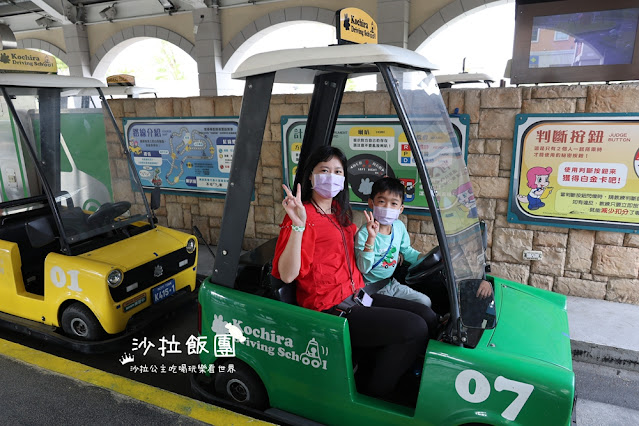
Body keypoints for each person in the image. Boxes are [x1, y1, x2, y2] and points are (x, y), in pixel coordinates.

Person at [271, 146, 436, 398]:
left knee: (427, 314)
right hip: (331, 306)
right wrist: (298, 226)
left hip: (358, 295)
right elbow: (287, 274)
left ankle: (392, 369)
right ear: (311, 176)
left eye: (337, 171)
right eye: (324, 170)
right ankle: (375, 394)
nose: (331, 176)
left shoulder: (340, 214)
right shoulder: (302, 215)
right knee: (414, 328)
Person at [355, 177, 433, 308]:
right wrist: (371, 238)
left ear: (401, 208)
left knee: (425, 302)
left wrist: (426, 258)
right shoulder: (364, 233)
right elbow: (364, 268)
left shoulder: (399, 227)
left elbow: (407, 251)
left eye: (393, 204)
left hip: (390, 283)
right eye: (381, 201)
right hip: (370, 289)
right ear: (371, 203)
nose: (387, 207)